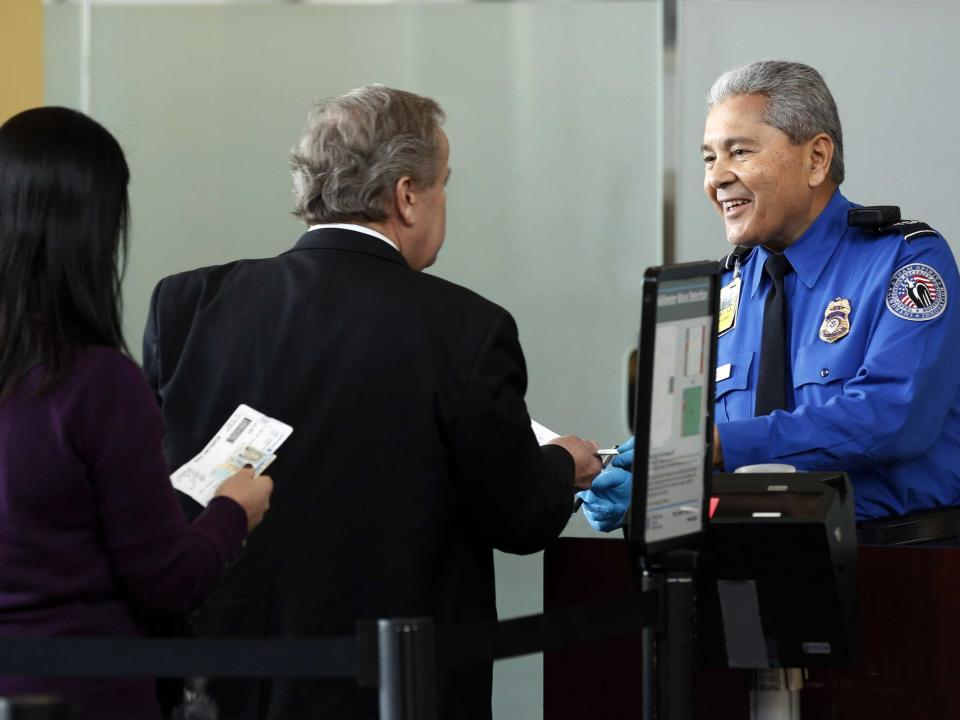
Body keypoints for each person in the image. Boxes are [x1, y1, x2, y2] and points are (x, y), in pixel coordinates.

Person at [142, 84, 602, 719]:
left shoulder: (187, 306)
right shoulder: (466, 329)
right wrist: (564, 464)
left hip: (220, 684)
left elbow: (158, 495)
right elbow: (517, 516)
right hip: (395, 689)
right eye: (444, 184)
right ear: (408, 195)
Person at [579, 60, 960, 530]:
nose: (716, 177)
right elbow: (697, 444)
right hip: (742, 549)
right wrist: (649, 487)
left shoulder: (905, 263)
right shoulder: (719, 290)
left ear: (817, 159)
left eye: (739, 152)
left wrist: (719, 444)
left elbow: (894, 416)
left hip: (888, 562)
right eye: (708, 157)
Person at [0, 107, 274, 717]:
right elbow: (167, 581)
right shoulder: (97, 383)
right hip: (86, 695)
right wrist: (234, 509)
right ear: (94, 230)